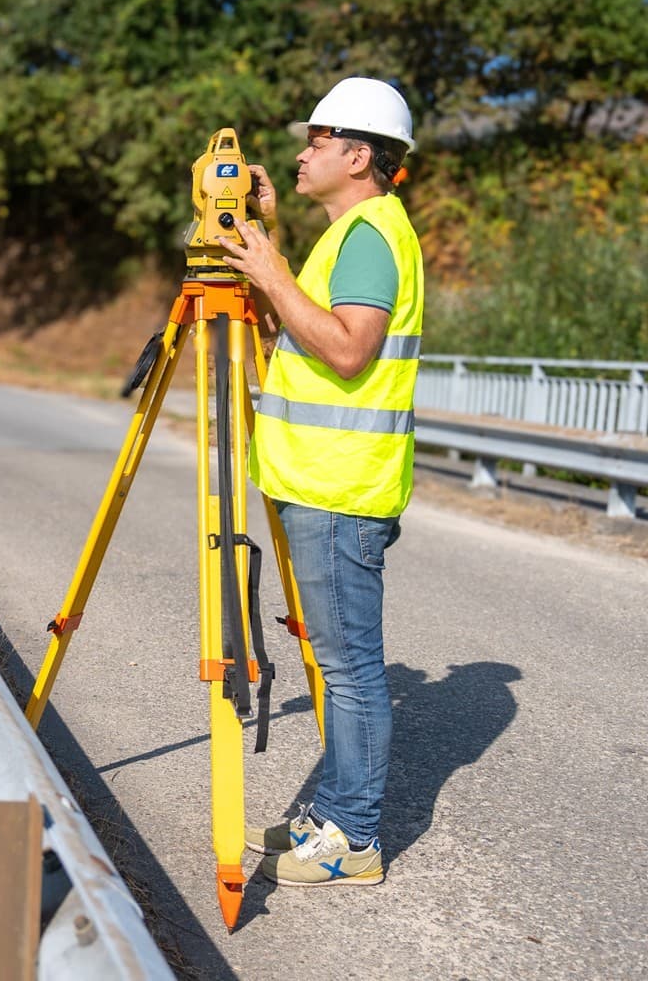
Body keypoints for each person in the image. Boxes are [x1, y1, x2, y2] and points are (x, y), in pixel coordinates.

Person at [215, 76, 425, 889]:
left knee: (350, 669)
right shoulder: (351, 233)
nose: (300, 153)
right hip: (322, 482)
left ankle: (355, 839)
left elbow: (346, 350)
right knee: (341, 663)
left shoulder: (372, 234)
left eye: (317, 140)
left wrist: (268, 271)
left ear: (358, 154)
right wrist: (270, 243)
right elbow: (304, 334)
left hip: (340, 490)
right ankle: (331, 812)